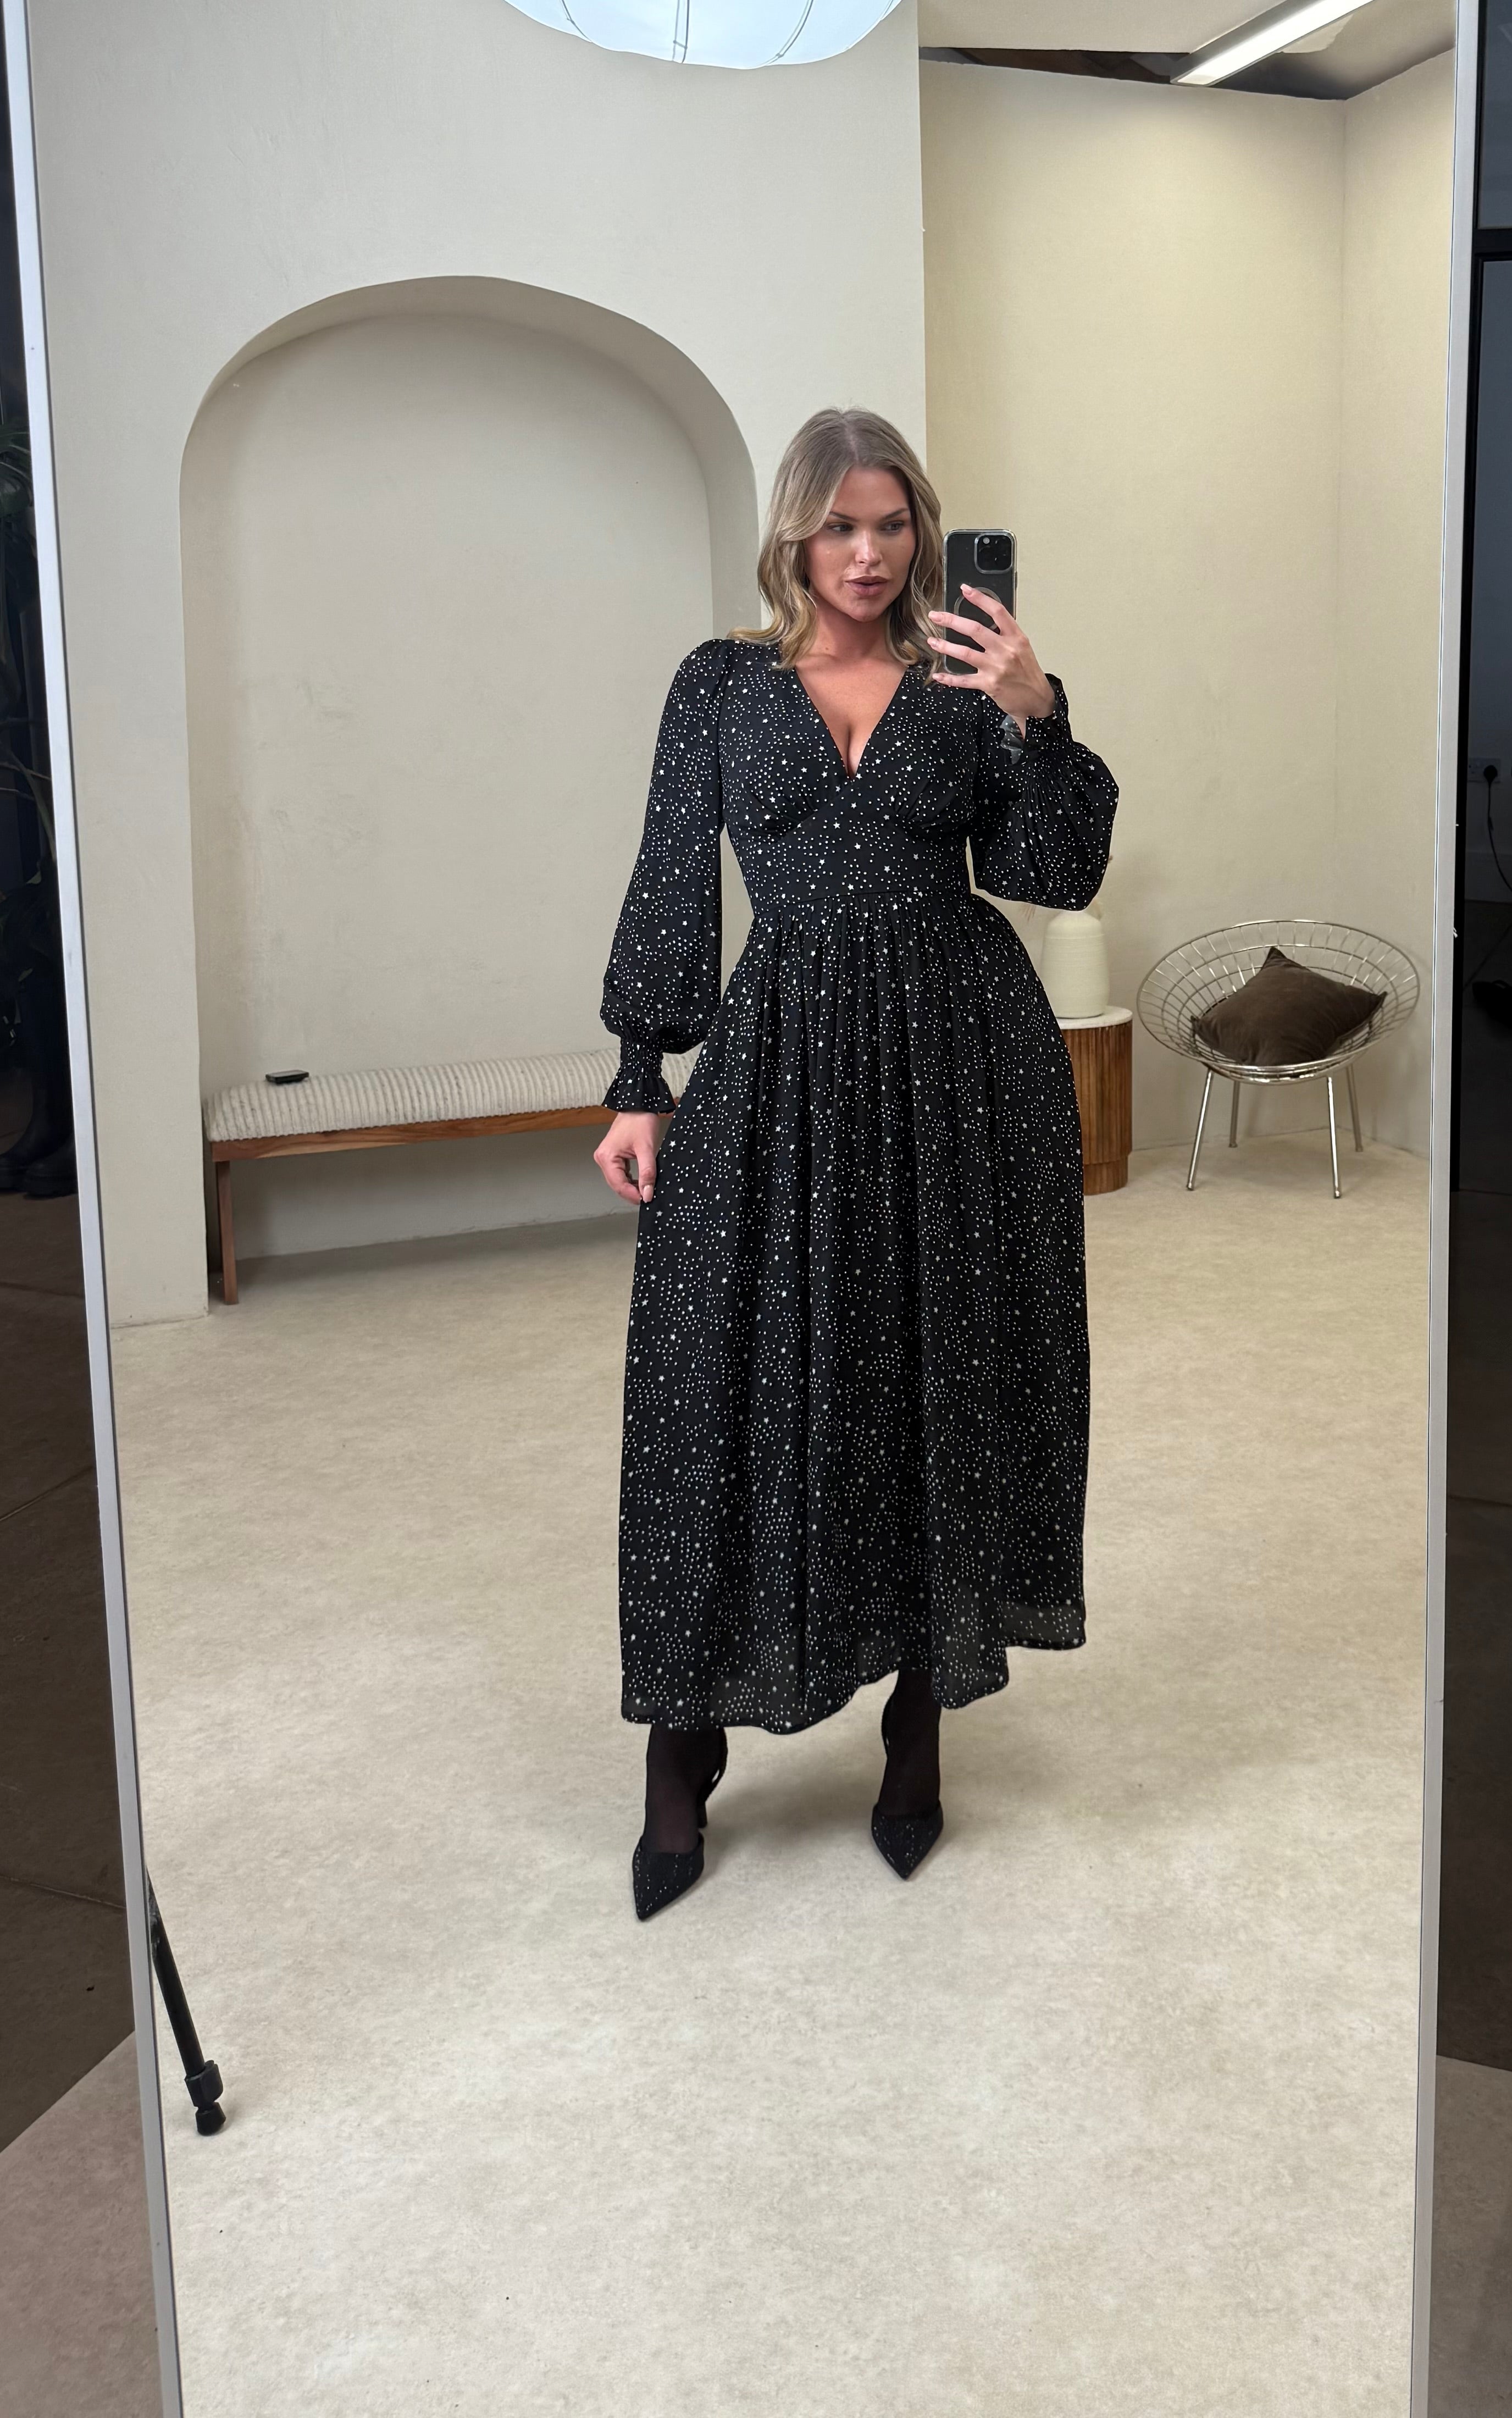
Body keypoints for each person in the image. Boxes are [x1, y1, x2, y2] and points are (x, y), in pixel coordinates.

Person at [594, 406, 1117, 1918]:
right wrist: (640, 1077)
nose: (869, 554)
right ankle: (682, 1744)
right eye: (841, 526)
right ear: (795, 534)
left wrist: (1038, 714)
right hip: (777, 1056)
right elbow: (671, 876)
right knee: (720, 1377)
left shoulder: (968, 686)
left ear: (923, 534)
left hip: (960, 1061)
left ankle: (917, 1728)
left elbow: (1052, 873)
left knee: (940, 1376)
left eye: (892, 525)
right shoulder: (720, 683)